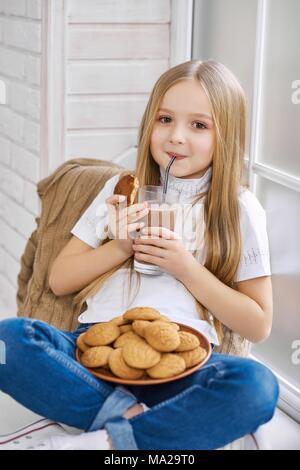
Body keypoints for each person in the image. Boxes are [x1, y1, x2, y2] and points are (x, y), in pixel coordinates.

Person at [0, 60, 279, 450]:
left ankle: (103, 442)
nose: (176, 137)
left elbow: (258, 324)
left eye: (199, 125)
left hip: (184, 361)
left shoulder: (238, 207)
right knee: (6, 341)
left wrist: (185, 268)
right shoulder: (122, 188)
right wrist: (121, 245)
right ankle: (136, 426)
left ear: (225, 135)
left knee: (257, 387)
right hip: (93, 354)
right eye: (165, 119)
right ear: (149, 122)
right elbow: (59, 279)